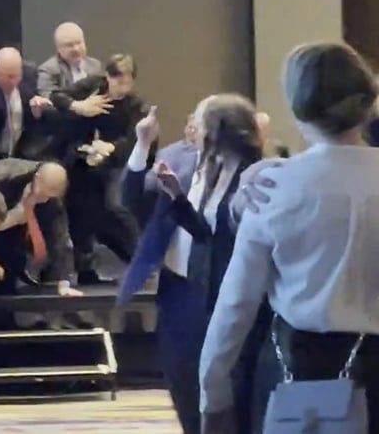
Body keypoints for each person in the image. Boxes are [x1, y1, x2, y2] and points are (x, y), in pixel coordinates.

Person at [199, 42, 379, 434]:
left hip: (297, 372)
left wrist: (212, 394)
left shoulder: (274, 187)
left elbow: (236, 305)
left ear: (298, 106)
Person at [119, 95, 270, 434]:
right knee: (183, 378)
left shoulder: (254, 174)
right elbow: (134, 198)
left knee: (231, 386)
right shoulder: (182, 161)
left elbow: (228, 237)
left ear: (217, 131)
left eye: (198, 121)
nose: (192, 127)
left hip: (227, 295)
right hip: (181, 289)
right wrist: (176, 194)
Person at [49, 54, 147, 275]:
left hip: (113, 162)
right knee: (81, 210)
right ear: (107, 77)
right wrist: (79, 106)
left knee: (115, 206)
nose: (122, 88)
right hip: (81, 160)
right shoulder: (92, 86)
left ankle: (139, 257)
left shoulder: (134, 105)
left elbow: (132, 138)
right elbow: (58, 96)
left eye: (127, 83)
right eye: (118, 82)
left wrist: (110, 148)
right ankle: (84, 267)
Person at [0, 159, 82, 296]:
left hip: (11, 234)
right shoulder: (10, 172)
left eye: (49, 197)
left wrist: (65, 283)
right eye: (42, 194)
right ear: (37, 178)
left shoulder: (51, 201)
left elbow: (61, 240)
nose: (44, 199)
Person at [0, 47, 55, 169]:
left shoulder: (28, 87)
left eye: (16, 75)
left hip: (22, 152)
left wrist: (37, 114)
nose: (13, 81)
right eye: (8, 77)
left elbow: (34, 127)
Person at [36, 22, 102, 98]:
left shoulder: (95, 65)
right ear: (58, 49)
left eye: (79, 43)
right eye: (69, 45)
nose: (76, 49)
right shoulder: (48, 70)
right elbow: (48, 98)